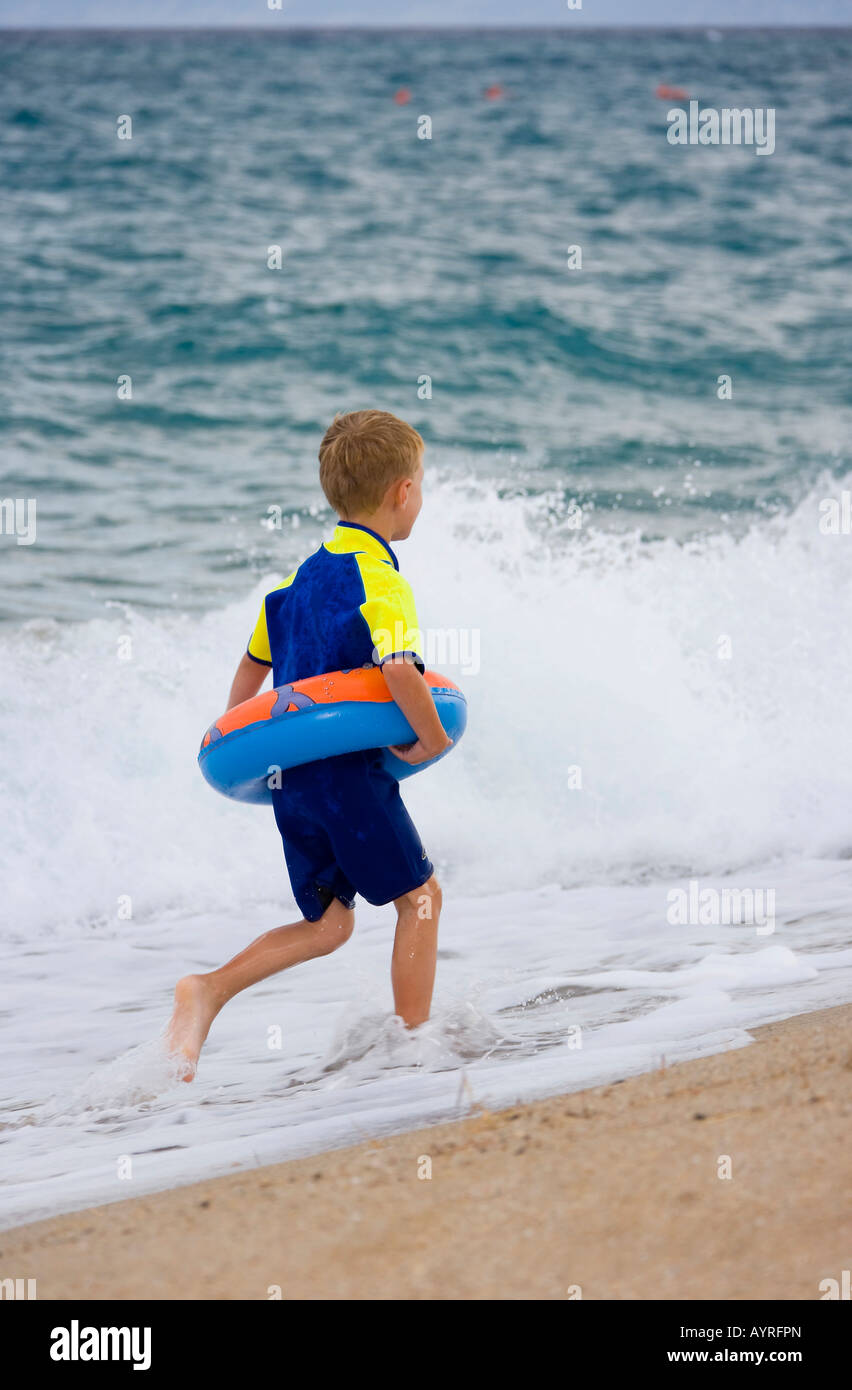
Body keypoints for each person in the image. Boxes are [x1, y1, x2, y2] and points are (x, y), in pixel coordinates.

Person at [166, 410, 450, 1079]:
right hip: (347, 776)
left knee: (330, 925)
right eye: (422, 485)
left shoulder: (289, 591)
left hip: (289, 777)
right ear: (402, 492)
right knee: (423, 898)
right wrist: (432, 741)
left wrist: (237, 745)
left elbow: (248, 677)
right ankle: (415, 1047)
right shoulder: (383, 582)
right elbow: (400, 669)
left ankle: (207, 990)